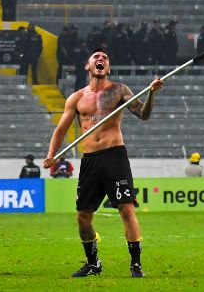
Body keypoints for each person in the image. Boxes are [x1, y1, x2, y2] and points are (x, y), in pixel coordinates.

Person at [43, 49, 164, 278]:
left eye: (105, 58)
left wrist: (151, 94)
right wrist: (52, 154)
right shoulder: (77, 98)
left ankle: (136, 264)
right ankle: (93, 263)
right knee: (83, 216)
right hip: (90, 160)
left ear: (108, 68)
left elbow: (143, 114)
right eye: (96, 58)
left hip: (114, 156)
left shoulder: (119, 90)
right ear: (87, 67)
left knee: (126, 209)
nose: (101, 60)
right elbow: (61, 130)